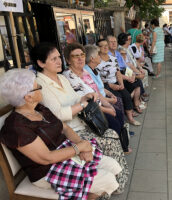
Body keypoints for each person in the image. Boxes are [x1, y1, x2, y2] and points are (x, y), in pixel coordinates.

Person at [0, 69, 121, 199]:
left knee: (112, 166)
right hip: (47, 170)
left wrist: (82, 146)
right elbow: (46, 158)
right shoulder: (16, 126)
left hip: (66, 154)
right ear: (28, 97)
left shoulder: (39, 109)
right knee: (107, 179)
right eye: (38, 87)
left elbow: (65, 127)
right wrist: (79, 148)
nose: (42, 89)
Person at [31, 43, 129, 194]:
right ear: (40, 63)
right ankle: (112, 185)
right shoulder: (41, 84)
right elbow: (58, 115)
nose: (59, 62)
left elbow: (75, 97)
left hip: (81, 124)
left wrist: (85, 96)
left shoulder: (61, 78)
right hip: (68, 132)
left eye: (59, 57)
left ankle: (114, 182)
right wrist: (83, 103)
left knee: (112, 134)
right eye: (53, 59)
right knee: (110, 138)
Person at [62, 43, 131, 154]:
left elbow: (97, 92)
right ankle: (116, 150)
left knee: (118, 113)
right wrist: (107, 109)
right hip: (90, 112)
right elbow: (86, 102)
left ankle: (121, 146)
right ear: (68, 60)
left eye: (82, 55)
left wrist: (109, 105)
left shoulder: (84, 72)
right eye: (75, 56)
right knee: (114, 123)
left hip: (99, 106)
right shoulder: (69, 76)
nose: (80, 59)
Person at [97, 38, 143, 125]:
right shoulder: (97, 61)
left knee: (126, 95)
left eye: (106, 45)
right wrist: (111, 85)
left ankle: (130, 118)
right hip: (106, 85)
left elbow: (118, 72)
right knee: (118, 99)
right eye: (102, 46)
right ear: (98, 48)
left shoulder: (113, 58)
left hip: (116, 82)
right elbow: (98, 78)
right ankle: (121, 122)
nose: (105, 47)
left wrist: (121, 84)